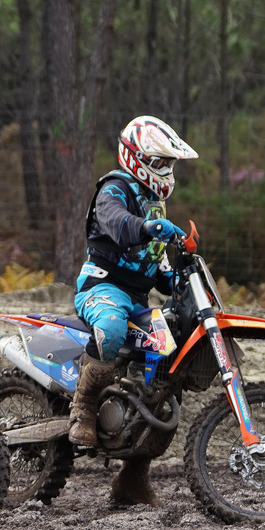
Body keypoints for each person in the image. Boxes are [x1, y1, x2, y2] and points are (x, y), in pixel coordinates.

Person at [68, 115, 197, 503]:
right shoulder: (115, 188)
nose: (166, 171)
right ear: (136, 157)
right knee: (111, 327)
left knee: (163, 382)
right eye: (159, 162)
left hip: (138, 298)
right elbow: (118, 225)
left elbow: (154, 268)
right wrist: (148, 228)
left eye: (169, 164)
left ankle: (132, 479)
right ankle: (84, 406)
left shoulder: (154, 205)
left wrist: (179, 279)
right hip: (103, 288)